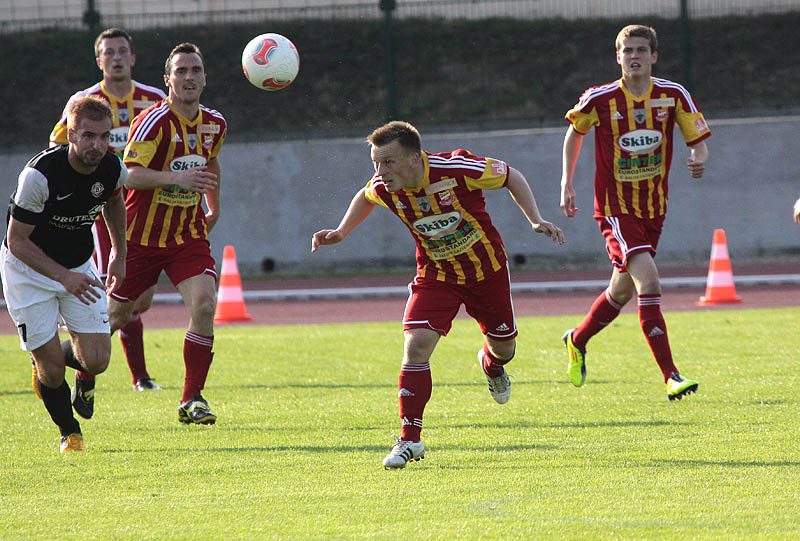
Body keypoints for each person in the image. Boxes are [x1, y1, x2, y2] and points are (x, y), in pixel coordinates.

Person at [312, 120, 564, 469]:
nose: (379, 172)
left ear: (414, 159)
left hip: (486, 272)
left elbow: (511, 175)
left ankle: (491, 366)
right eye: (375, 163)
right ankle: (410, 439)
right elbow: (365, 196)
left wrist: (535, 219)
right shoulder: (385, 185)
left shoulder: (457, 168)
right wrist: (341, 232)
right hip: (437, 275)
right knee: (416, 346)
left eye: (388, 162)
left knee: (504, 350)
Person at [559, 25, 710, 400]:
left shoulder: (673, 94)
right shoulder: (600, 98)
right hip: (615, 209)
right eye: (628, 51)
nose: (635, 56)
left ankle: (577, 340)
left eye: (642, 50)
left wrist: (698, 156)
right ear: (618, 57)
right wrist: (567, 182)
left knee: (621, 290)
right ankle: (671, 376)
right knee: (650, 282)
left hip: (653, 208)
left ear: (654, 56)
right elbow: (575, 131)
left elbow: (697, 138)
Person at [108, 42, 225, 425]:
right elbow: (129, 175)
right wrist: (178, 178)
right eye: (181, 71)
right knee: (115, 318)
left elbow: (211, 163)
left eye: (196, 70)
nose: (189, 77)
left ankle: (192, 399)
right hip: (140, 238)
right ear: (167, 79)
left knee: (204, 305)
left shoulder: (215, 123)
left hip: (187, 236)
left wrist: (214, 206)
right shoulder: (153, 121)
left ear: (204, 79)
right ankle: (83, 375)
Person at [2, 95, 127, 453]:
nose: (97, 145)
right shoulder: (39, 175)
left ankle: (47, 353)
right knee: (54, 371)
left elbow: (114, 201)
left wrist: (119, 253)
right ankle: (69, 433)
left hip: (77, 267)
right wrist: (64, 278)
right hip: (27, 271)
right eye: (88, 136)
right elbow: (17, 241)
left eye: (104, 137)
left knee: (97, 360)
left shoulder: (112, 168)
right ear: (70, 135)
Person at [50, 28, 167, 404]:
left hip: (145, 212)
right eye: (109, 52)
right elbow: (57, 145)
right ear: (99, 60)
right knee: (118, 291)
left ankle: (76, 355)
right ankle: (125, 374)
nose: (116, 58)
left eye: (122, 51)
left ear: (132, 58)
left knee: (139, 300)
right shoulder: (83, 101)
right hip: (100, 210)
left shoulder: (155, 99)